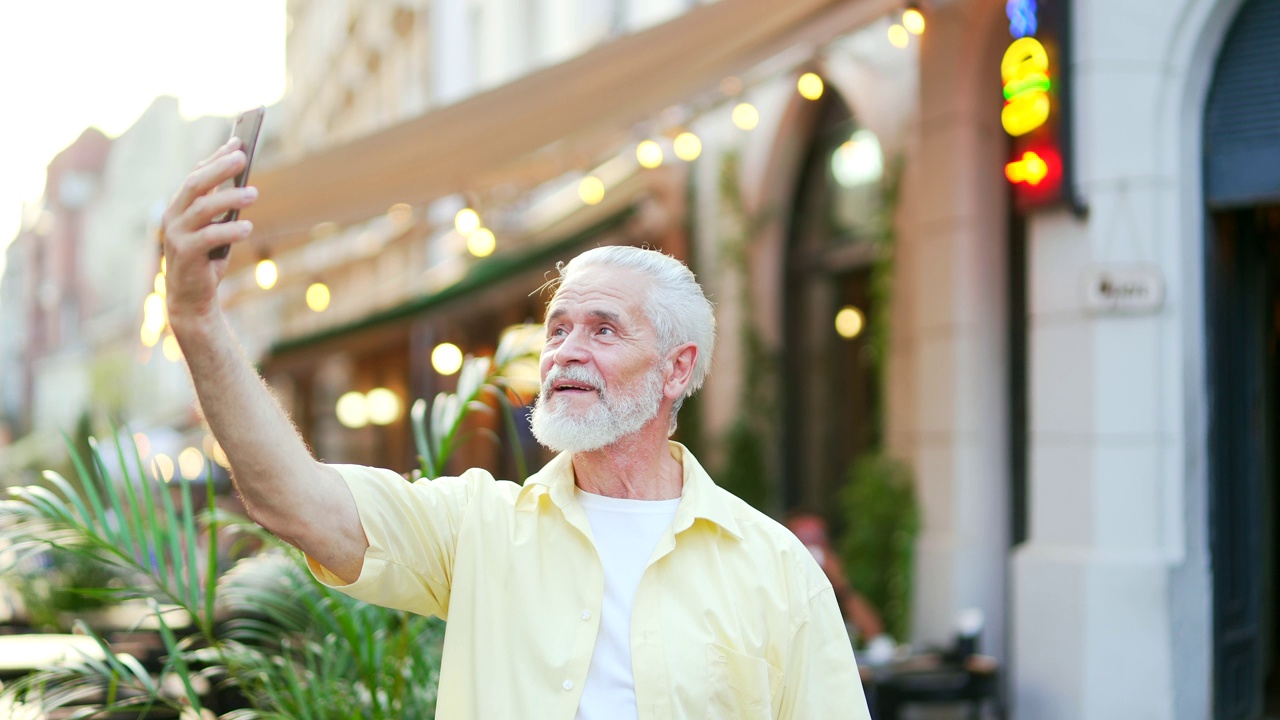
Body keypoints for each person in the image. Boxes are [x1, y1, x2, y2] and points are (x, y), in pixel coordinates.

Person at [161, 137, 871, 719]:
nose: (564, 350)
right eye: (557, 328)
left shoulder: (777, 571)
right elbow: (294, 500)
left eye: (602, 329)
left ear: (675, 369)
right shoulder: (478, 527)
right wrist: (198, 322)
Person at [784, 512, 886, 644]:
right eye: (804, 537)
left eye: (819, 537)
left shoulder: (837, 584)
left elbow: (875, 635)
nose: (812, 546)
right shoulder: (778, 585)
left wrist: (842, 586)